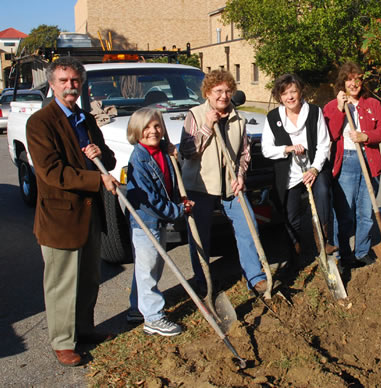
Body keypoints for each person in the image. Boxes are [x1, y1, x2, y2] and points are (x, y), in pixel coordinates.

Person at [26, 57, 119, 367]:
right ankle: (63, 342)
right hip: (60, 217)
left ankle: (84, 329)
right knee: (62, 283)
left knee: (89, 277)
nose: (70, 86)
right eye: (63, 81)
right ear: (52, 84)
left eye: (75, 81)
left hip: (90, 214)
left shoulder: (85, 118)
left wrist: (100, 154)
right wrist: (98, 178)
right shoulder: (40, 123)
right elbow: (52, 172)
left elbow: (109, 158)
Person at [179, 70, 267, 294]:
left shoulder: (239, 119)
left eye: (228, 91)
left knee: (249, 226)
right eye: (218, 91)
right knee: (200, 235)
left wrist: (240, 176)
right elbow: (187, 151)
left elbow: (244, 153)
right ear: (208, 93)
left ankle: (255, 277)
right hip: (201, 185)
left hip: (231, 184)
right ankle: (203, 281)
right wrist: (207, 126)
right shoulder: (195, 115)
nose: (224, 96)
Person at [125, 108, 194, 336]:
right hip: (147, 222)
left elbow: (169, 182)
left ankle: (137, 309)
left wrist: (176, 156)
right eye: (146, 127)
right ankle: (153, 318)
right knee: (149, 270)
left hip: (159, 221)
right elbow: (150, 201)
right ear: (136, 130)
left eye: (157, 126)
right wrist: (177, 210)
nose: (153, 131)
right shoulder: (139, 160)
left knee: (148, 267)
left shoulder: (162, 151)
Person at [262, 73, 335, 261]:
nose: (290, 97)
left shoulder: (314, 112)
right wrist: (287, 148)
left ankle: (322, 240)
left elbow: (324, 144)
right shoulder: (272, 118)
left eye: (293, 91)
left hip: (313, 167)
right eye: (285, 93)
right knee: (291, 215)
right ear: (279, 96)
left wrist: (315, 169)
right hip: (289, 172)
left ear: (301, 92)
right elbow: (266, 149)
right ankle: (294, 254)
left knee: (323, 192)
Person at [323, 62, 381, 267]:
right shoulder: (332, 106)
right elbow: (332, 134)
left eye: (357, 79)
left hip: (369, 160)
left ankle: (362, 251)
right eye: (349, 79)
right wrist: (340, 108)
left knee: (365, 212)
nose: (354, 83)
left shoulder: (372, 104)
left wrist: (366, 135)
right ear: (342, 82)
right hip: (347, 161)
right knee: (345, 212)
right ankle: (342, 253)